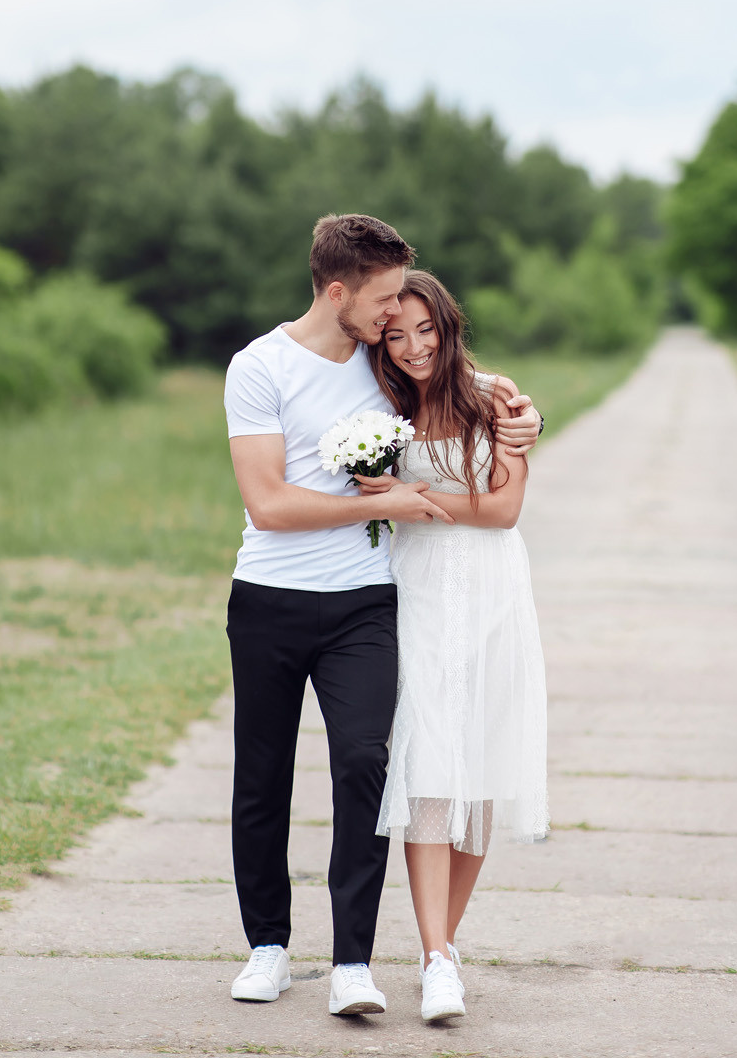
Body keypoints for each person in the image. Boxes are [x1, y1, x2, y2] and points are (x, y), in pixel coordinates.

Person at [223, 215, 541, 1017]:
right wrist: (399, 500)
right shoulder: (260, 367)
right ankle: (266, 947)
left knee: (368, 766)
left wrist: (521, 412)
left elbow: (455, 373)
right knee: (260, 774)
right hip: (268, 595)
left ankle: (353, 962)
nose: (397, 316)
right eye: (386, 299)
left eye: (403, 302)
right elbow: (265, 504)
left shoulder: (383, 365)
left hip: (366, 600)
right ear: (341, 295)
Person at [358, 269, 548, 1025]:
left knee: (479, 765)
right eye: (394, 334)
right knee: (429, 764)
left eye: (423, 330)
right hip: (416, 591)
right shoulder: (379, 405)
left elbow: (503, 510)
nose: (410, 348)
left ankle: (443, 945)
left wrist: (417, 503)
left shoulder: (495, 397)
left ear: (446, 323)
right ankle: (437, 957)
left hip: (493, 591)